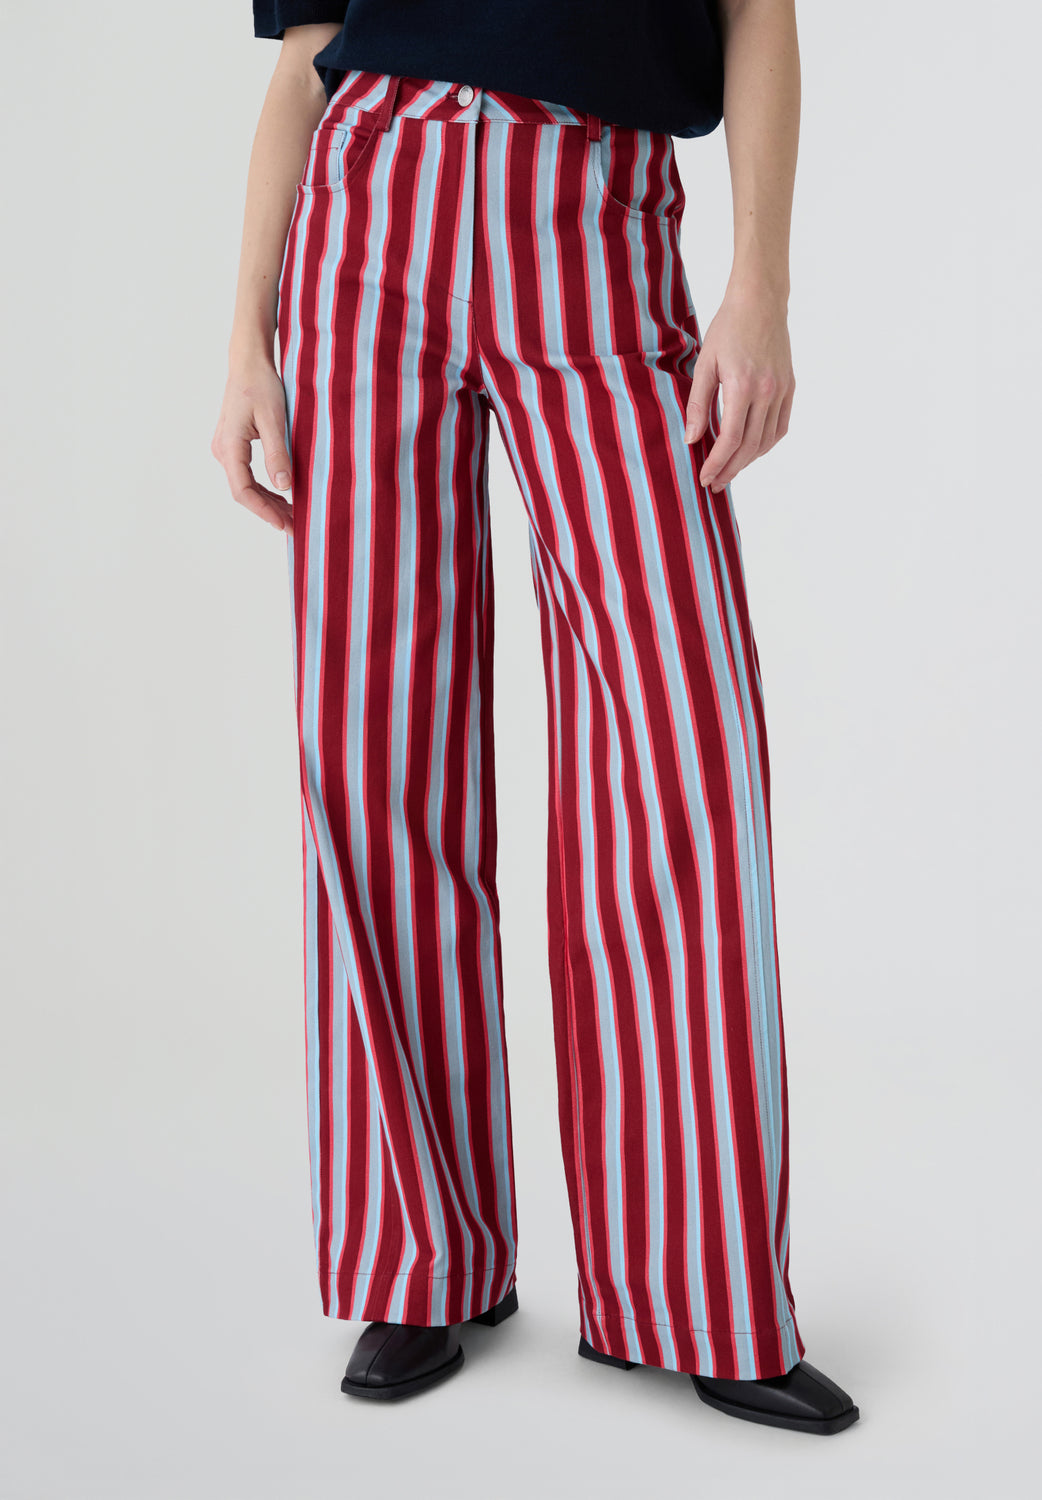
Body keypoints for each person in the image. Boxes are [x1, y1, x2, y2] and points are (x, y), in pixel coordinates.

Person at [211, 1, 860, 1436]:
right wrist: (248, 334)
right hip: (365, 216)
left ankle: (696, 1286)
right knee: (371, 749)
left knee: (677, 742)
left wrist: (758, 284)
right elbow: (306, 56)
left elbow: (756, 8)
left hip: (591, 208)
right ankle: (419, 1256)